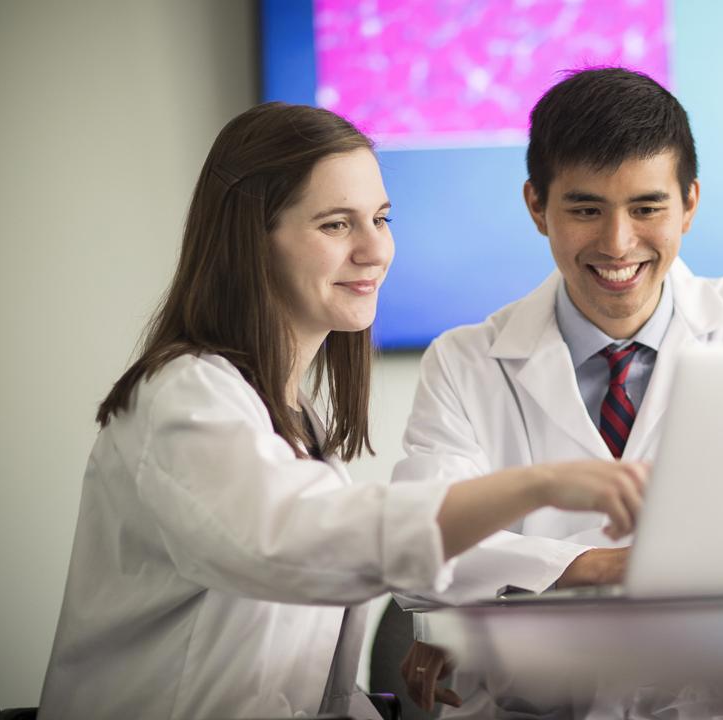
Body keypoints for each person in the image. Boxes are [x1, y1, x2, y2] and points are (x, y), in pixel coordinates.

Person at [37, 102, 647, 720]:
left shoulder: (296, 422)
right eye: (335, 225)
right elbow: (294, 546)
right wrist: (536, 486)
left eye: (380, 219)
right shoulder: (183, 399)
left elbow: (304, 686)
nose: (374, 250)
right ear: (251, 238)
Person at [391, 68, 723, 716]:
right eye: (586, 209)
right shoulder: (465, 363)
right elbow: (421, 550)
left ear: (690, 204)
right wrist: (601, 566)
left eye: (647, 208)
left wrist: (515, 575)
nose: (617, 243)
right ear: (536, 206)